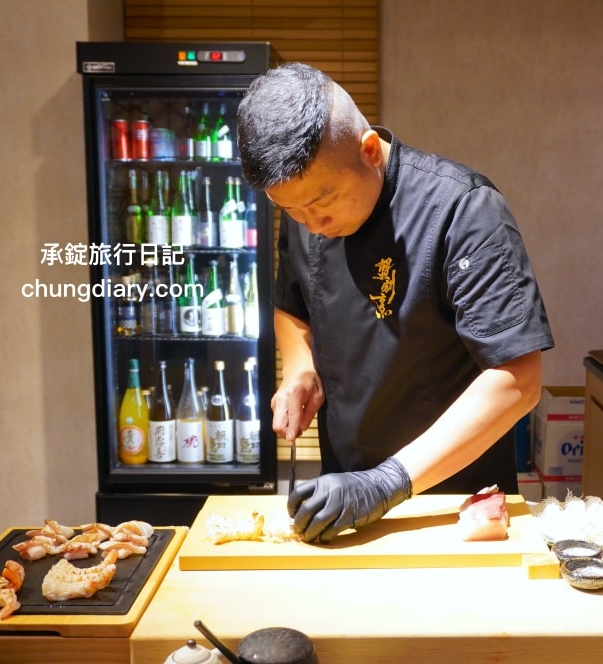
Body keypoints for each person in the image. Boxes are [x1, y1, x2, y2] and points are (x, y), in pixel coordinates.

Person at [237, 63, 555, 543]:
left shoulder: (462, 209)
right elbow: (292, 304)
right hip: (343, 494)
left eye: (322, 203)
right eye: (290, 210)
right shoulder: (307, 212)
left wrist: (386, 483)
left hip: (454, 505)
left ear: (368, 151)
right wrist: (300, 369)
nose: (311, 224)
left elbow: (518, 380)